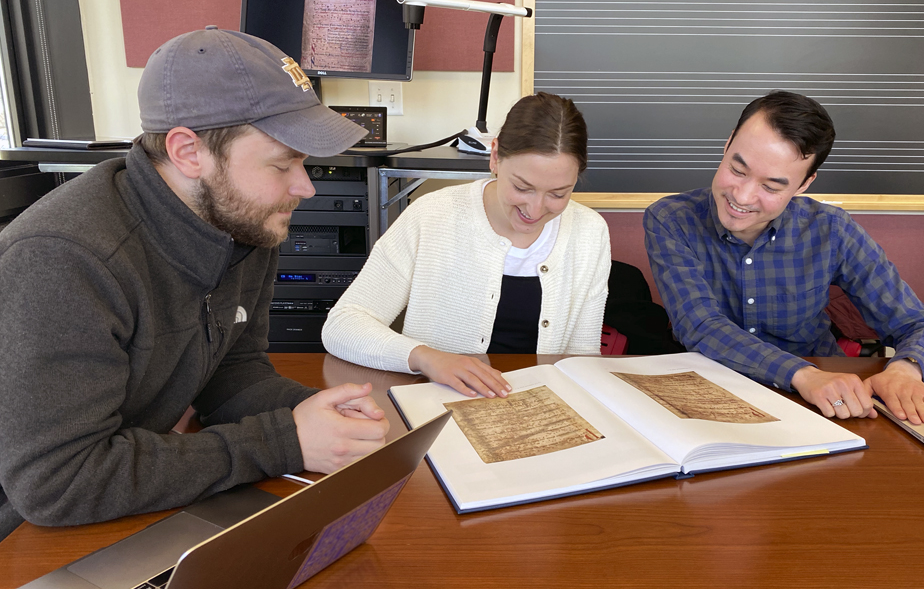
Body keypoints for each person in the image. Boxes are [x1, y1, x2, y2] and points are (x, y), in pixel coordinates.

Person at [0, 27, 389, 541]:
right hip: (27, 531)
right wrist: (286, 441)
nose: (305, 187)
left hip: (131, 486)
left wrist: (312, 413)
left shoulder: (242, 225)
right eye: (282, 163)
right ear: (188, 152)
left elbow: (232, 369)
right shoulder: (65, 260)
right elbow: (58, 483)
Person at [644, 90, 924, 425]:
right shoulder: (670, 219)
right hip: (711, 400)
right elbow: (701, 326)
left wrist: (906, 371)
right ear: (727, 144)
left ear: (804, 184)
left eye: (772, 187)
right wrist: (803, 375)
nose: (743, 196)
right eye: (737, 169)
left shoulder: (831, 230)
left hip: (823, 402)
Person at [322, 92, 611, 399]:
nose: (536, 209)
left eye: (558, 194)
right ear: (495, 156)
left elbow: (582, 356)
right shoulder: (431, 215)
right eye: (522, 187)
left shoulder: (590, 232)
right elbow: (342, 325)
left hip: (540, 410)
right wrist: (426, 358)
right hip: (439, 405)